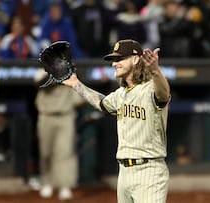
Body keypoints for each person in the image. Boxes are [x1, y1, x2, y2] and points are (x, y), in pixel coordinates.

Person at [61, 39, 171, 203]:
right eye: (113, 60)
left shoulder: (150, 89)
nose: (114, 64)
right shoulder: (120, 94)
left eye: (119, 59)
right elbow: (101, 103)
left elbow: (163, 93)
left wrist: (155, 71)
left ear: (135, 59)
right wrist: (76, 84)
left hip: (149, 171)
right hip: (124, 173)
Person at [34, 69, 85, 201]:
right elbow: (39, 83)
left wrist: (66, 76)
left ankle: (65, 186)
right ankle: (47, 183)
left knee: (65, 152)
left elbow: (80, 99)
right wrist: (57, 76)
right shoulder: (42, 72)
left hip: (65, 116)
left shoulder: (69, 72)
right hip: (46, 116)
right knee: (46, 152)